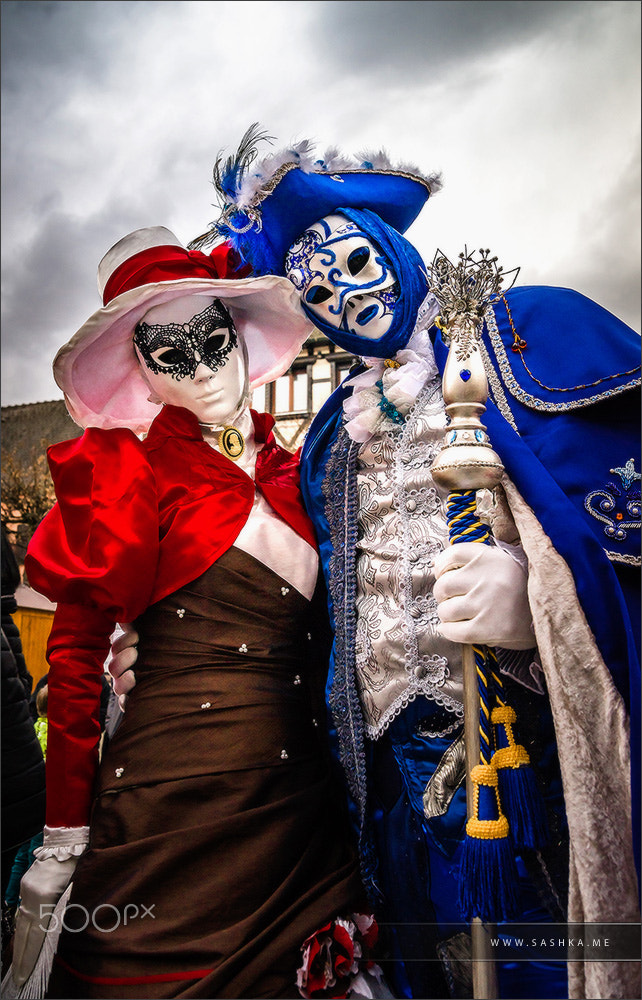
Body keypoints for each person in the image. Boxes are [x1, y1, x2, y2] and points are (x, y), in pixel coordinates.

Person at [181, 127, 641, 1000]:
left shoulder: (522, 342)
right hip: (388, 779)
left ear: (392, 245)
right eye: (318, 290)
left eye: (355, 262)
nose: (346, 297)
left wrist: (541, 596)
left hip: (522, 772)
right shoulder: (330, 441)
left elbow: (622, 513)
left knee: (547, 970)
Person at [5, 228, 387, 1000]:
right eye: (168, 353)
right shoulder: (125, 473)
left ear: (239, 333)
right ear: (142, 369)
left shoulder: (302, 472)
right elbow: (74, 662)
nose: (203, 368)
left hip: (301, 813)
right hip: (170, 808)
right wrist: (62, 837)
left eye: (212, 340)